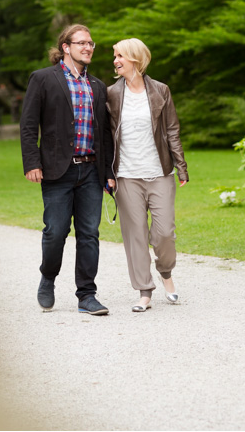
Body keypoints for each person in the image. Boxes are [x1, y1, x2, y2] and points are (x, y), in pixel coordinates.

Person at [20, 24, 114, 315]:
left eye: (91, 43)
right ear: (65, 47)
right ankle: (48, 278)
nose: (88, 48)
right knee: (56, 232)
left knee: (89, 233)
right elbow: (27, 125)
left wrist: (108, 170)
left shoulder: (97, 86)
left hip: (90, 171)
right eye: (81, 43)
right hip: (57, 171)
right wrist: (32, 162)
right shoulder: (43, 79)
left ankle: (87, 295)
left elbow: (105, 134)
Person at [105, 38, 188, 313]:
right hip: (126, 176)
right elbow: (106, 137)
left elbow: (172, 130)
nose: (115, 61)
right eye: (114, 56)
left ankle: (166, 271)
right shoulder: (111, 94)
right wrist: (108, 173)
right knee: (135, 236)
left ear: (135, 59)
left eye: (120, 56)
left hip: (159, 172)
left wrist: (181, 166)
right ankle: (144, 291)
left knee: (164, 234)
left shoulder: (160, 91)